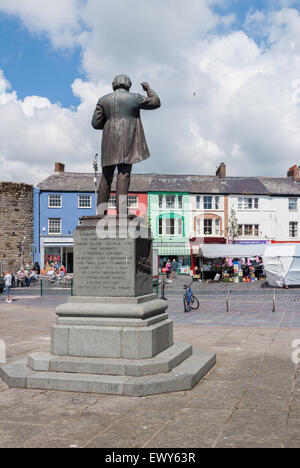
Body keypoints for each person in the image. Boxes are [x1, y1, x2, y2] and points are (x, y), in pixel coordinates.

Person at [92, 74, 161, 214]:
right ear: (128, 84)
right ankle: (122, 212)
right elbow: (156, 102)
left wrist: (109, 124)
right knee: (123, 173)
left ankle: (100, 212)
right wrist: (148, 89)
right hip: (128, 139)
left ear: (114, 84)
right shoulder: (135, 97)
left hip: (108, 141)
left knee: (106, 176)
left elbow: (95, 123)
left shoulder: (103, 100)